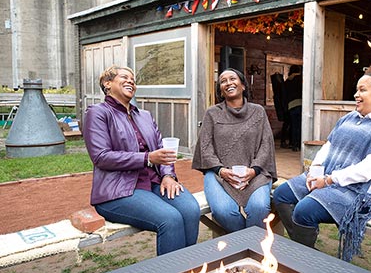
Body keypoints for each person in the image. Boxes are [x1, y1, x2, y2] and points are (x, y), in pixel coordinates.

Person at [273, 59, 371, 261]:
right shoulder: (350, 118)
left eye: (362, 90)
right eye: (356, 90)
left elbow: (369, 169)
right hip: (329, 178)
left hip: (361, 192)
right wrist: (314, 172)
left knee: (304, 210)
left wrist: (327, 180)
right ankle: (305, 251)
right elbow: (329, 146)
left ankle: (306, 261)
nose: (356, 95)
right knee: (281, 194)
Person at [83, 65, 200, 255]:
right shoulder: (97, 113)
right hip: (117, 190)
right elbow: (101, 157)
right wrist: (146, 158)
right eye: (124, 77)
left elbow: (163, 150)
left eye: (133, 79)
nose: (131, 81)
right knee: (170, 219)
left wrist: (168, 175)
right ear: (107, 84)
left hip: (154, 182)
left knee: (190, 210)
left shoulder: (144, 115)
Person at [192, 68, 277, 233]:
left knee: (259, 207)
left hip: (255, 173)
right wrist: (221, 170)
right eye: (223, 81)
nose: (228, 83)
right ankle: (248, 244)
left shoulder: (258, 112)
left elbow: (266, 145)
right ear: (221, 91)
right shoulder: (212, 113)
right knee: (225, 211)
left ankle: (249, 248)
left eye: (233, 79)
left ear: (243, 85)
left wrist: (253, 170)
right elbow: (205, 147)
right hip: (218, 174)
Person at [284, 64, 303, 151]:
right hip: (300, 103)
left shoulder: (288, 81)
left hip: (291, 105)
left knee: (293, 126)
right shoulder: (301, 79)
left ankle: (293, 144)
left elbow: (285, 94)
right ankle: (299, 144)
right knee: (299, 126)